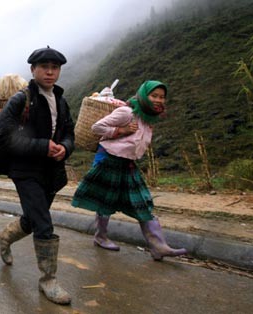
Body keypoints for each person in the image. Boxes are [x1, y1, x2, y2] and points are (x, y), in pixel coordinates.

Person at [71, 80, 188, 261]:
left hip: (128, 164)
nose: (158, 100)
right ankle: (100, 237)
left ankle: (158, 246)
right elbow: (97, 127)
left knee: (143, 201)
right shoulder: (127, 112)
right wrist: (120, 130)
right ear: (143, 96)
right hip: (108, 159)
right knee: (106, 200)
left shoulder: (148, 119)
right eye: (154, 96)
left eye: (162, 97)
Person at [0, 46, 75, 305]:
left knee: (33, 218)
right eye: (44, 67)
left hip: (50, 170)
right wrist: (42, 146)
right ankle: (48, 280)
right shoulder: (21, 99)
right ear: (33, 70)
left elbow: (69, 132)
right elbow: (3, 136)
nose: (50, 72)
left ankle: (5, 237)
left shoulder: (60, 100)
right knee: (44, 222)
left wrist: (65, 147)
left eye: (55, 68)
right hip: (25, 170)